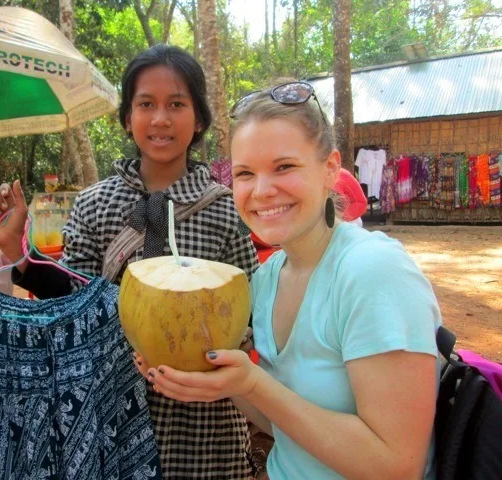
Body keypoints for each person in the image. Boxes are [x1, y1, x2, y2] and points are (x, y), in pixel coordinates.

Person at [0, 45, 259, 479]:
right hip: (109, 411)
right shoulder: (95, 204)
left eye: (177, 104)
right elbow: (74, 298)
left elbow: (249, 312)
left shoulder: (226, 212)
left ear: (199, 118)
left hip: (204, 422)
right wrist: (20, 252)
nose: (161, 118)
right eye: (146, 104)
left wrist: (222, 364)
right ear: (127, 117)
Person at [142, 81, 442, 480]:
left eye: (284, 167)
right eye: (245, 173)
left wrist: (253, 382)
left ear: (330, 168)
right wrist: (225, 381)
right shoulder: (267, 278)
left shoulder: (372, 272)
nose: (262, 191)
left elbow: (397, 465)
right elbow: (286, 424)